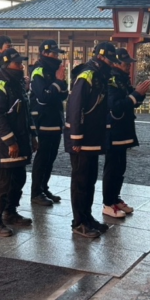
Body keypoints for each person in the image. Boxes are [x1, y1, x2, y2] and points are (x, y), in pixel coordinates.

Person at [64, 42, 117, 238]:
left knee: (90, 180)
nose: (111, 64)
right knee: (80, 181)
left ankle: (87, 217)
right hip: (82, 138)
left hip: (93, 137)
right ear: (100, 57)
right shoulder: (86, 75)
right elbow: (75, 108)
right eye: (109, 60)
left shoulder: (100, 76)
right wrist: (76, 138)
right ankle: (79, 222)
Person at [0, 48, 36, 236]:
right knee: (2, 184)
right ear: (6, 64)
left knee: (18, 179)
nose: (21, 66)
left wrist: (33, 136)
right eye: (17, 63)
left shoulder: (17, 84)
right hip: (4, 145)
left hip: (20, 141)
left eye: (21, 63)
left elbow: (26, 113)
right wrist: (10, 141)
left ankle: (10, 212)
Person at [102, 48, 150, 218]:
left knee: (120, 167)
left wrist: (139, 95)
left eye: (129, 63)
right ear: (116, 63)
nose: (129, 66)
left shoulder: (122, 79)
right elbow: (115, 106)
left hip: (123, 129)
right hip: (113, 130)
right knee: (112, 168)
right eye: (125, 63)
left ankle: (115, 198)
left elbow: (131, 102)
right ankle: (108, 203)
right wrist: (135, 94)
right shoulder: (111, 80)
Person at [29, 39, 68, 207]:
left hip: (55, 119)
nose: (56, 56)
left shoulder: (55, 70)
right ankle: (36, 192)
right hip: (43, 120)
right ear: (44, 53)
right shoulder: (38, 71)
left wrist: (61, 82)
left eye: (57, 53)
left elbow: (63, 95)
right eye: (53, 53)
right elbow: (43, 97)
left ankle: (44, 188)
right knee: (42, 157)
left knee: (51, 157)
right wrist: (58, 82)